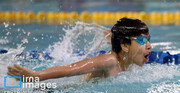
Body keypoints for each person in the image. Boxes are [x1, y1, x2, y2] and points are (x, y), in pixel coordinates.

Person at [7, 17, 152, 82]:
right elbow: (72, 68)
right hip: (60, 90)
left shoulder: (128, 60)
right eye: (142, 40)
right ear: (125, 46)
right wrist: (37, 76)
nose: (149, 45)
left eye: (148, 39)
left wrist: (116, 37)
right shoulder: (109, 60)